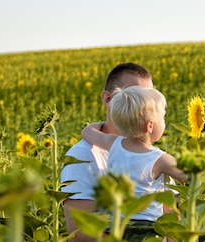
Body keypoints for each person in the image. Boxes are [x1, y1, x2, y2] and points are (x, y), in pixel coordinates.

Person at [81, 86, 205, 241]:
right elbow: (198, 179)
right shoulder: (159, 159)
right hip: (148, 230)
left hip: (117, 227)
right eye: (163, 117)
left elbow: (87, 131)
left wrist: (123, 120)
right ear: (150, 126)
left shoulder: (113, 143)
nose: (164, 121)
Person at [60, 62, 154, 242]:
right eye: (131, 95)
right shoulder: (83, 156)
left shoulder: (152, 153)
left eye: (148, 98)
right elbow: (82, 233)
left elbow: (172, 217)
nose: (142, 105)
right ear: (107, 99)